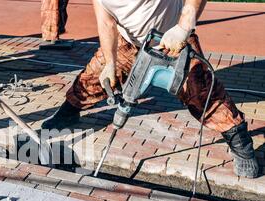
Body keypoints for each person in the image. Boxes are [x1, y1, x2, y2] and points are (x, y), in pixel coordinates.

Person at [42, 0, 259, 179]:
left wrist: (183, 27)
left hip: (172, 39)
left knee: (201, 93)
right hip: (128, 42)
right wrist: (110, 62)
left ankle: (239, 140)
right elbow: (106, 22)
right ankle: (70, 111)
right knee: (91, 78)